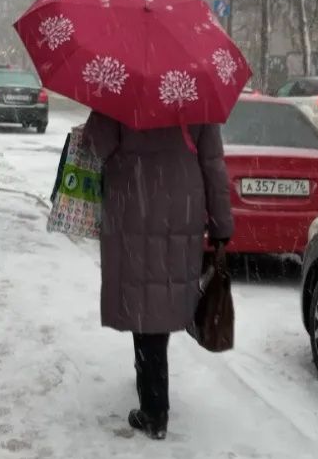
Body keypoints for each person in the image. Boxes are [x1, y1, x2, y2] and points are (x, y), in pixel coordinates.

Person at [83, 111, 234, 441]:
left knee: (142, 300)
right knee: (160, 297)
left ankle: (154, 407)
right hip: (181, 210)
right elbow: (213, 165)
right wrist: (222, 224)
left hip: (131, 207)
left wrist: (98, 113)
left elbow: (95, 147)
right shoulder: (197, 99)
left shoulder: (119, 97)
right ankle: (152, 387)